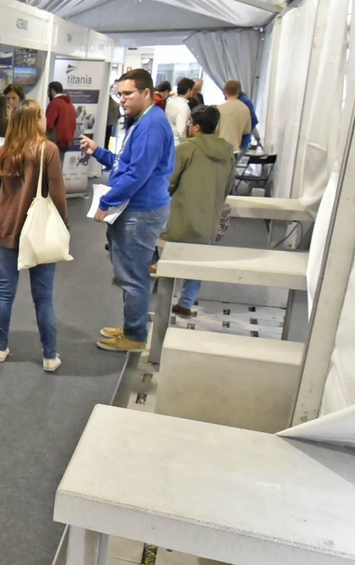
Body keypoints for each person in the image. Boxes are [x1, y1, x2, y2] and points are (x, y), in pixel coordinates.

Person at [80, 68, 174, 353]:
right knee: (131, 274)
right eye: (119, 94)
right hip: (137, 209)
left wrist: (106, 205)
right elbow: (125, 163)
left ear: (147, 93)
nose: (122, 99)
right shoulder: (143, 121)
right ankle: (132, 325)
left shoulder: (152, 125)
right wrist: (98, 151)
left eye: (128, 94)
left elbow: (137, 174)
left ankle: (134, 336)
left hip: (140, 212)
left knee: (134, 277)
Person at [0, 101, 68, 371]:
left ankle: (0, 347)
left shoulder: (5, 151)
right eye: (42, 115)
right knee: (43, 297)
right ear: (35, 121)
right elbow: (57, 196)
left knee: (5, 293)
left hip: (6, 230)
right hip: (39, 233)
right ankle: (49, 356)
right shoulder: (49, 150)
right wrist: (63, 226)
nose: (45, 120)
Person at [160, 106, 237, 316]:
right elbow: (228, 187)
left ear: (195, 126)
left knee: (168, 260)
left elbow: (169, 180)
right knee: (198, 261)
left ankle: (161, 303)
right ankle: (185, 302)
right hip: (209, 218)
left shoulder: (187, 149)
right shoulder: (229, 152)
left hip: (181, 215)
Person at [217, 80, 254, 152]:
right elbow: (247, 131)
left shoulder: (219, 109)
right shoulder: (245, 109)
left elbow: (214, 130)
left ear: (225, 91)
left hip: (220, 149)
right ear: (238, 91)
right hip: (236, 149)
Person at [46, 81, 78, 153]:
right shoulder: (70, 104)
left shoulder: (55, 103)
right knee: (60, 163)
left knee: (52, 163)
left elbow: (49, 124)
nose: (48, 94)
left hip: (56, 142)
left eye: (48, 91)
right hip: (66, 142)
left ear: (52, 91)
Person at [165, 77, 193, 145]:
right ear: (189, 90)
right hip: (177, 142)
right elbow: (181, 131)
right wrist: (185, 142)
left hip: (167, 138)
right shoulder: (184, 107)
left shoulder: (170, 101)